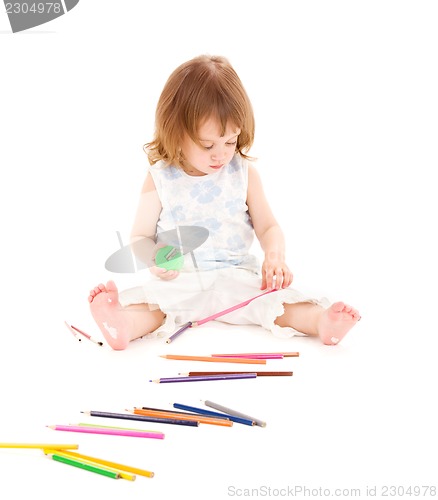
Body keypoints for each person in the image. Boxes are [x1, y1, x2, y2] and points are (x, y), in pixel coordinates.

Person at [88, 54, 360, 350]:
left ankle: (322, 321)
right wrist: (156, 257)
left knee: (275, 301)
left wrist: (275, 256)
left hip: (236, 274)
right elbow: (140, 236)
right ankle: (123, 324)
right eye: (207, 145)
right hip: (183, 278)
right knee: (156, 303)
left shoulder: (243, 174)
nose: (221, 154)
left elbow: (269, 227)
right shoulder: (160, 178)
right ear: (176, 134)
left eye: (230, 141)